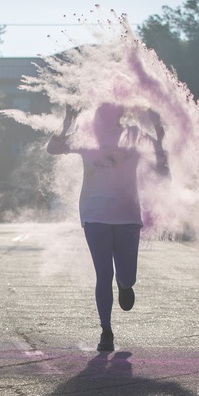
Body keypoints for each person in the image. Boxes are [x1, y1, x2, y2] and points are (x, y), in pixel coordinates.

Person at [46, 104, 168, 353]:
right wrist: (67, 121)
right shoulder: (86, 137)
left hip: (127, 215)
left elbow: (160, 158)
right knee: (103, 274)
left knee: (126, 276)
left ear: (120, 116)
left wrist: (158, 130)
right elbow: (53, 148)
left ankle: (126, 285)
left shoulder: (133, 135)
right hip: (94, 215)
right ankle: (106, 331)